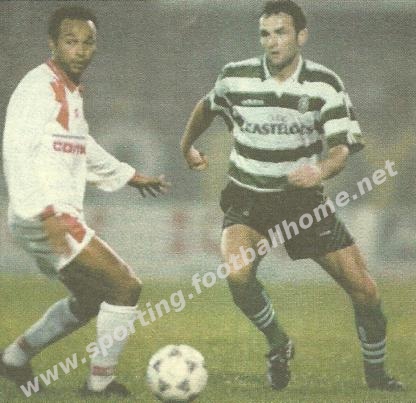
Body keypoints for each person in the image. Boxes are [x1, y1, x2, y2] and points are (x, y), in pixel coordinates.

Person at [181, 0, 403, 392]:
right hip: (248, 198)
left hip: (302, 203)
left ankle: (376, 376)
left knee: (365, 291)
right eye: (265, 34)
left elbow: (341, 150)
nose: (272, 42)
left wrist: (319, 170)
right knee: (238, 274)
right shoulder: (236, 77)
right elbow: (207, 105)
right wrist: (187, 146)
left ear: (301, 36)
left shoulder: (324, 84)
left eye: (281, 33)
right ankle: (278, 343)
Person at [1, 6, 169, 396]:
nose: (80, 50)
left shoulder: (70, 92)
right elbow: (15, 151)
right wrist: (45, 213)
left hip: (47, 215)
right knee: (126, 286)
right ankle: (99, 384)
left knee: (92, 298)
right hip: (47, 215)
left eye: (87, 42)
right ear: (53, 44)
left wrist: (128, 175)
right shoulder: (37, 87)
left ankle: (13, 359)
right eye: (70, 41)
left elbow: (81, 146)